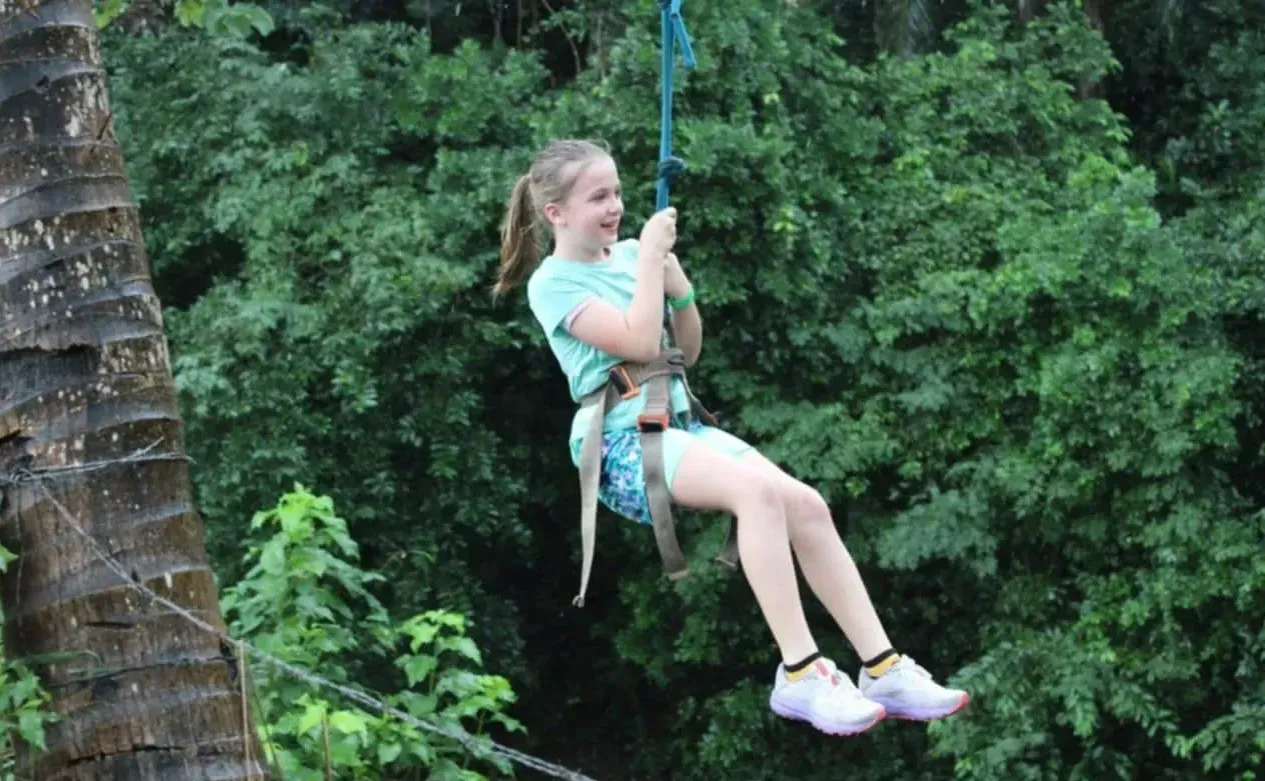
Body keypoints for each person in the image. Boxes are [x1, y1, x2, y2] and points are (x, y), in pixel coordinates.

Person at [494, 138, 970, 736]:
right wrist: (647, 267)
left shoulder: (634, 253)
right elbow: (638, 343)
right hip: (620, 443)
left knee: (806, 505)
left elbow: (681, 351)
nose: (615, 205)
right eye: (598, 197)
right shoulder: (553, 283)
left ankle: (883, 666)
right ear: (556, 213)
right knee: (756, 494)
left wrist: (678, 283)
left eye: (617, 191)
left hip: (677, 422)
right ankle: (800, 673)